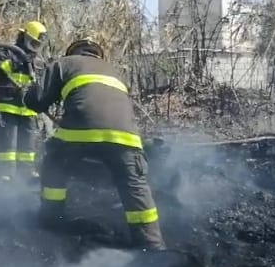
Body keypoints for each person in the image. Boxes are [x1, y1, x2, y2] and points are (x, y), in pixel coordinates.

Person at [19, 37, 165, 251]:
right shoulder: (115, 72)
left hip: (79, 134)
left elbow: (36, 101)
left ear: (74, 52)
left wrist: (30, 90)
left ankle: (52, 217)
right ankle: (152, 244)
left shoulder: (64, 63)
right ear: (97, 55)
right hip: (127, 138)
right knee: (135, 187)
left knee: (55, 160)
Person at [0, 21, 47, 181]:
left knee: (28, 146)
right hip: (8, 106)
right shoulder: (9, 53)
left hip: (29, 110)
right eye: (32, 42)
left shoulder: (38, 61)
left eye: (37, 44)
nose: (34, 46)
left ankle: (26, 173)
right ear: (24, 37)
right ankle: (7, 173)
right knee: (8, 144)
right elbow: (0, 67)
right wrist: (19, 62)